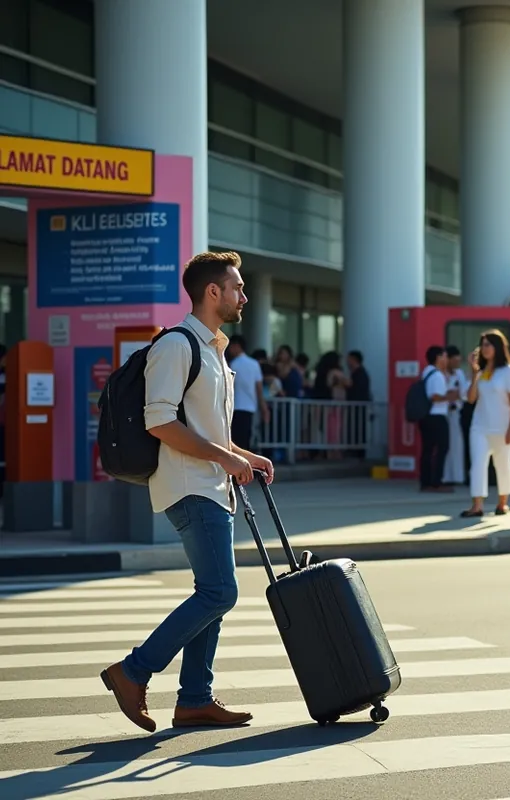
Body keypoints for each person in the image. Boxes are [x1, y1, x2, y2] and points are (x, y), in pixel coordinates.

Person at [101, 251, 273, 733]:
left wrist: (244, 453)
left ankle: (195, 698)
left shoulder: (213, 349)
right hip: (189, 485)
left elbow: (209, 429)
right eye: (237, 287)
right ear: (212, 292)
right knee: (221, 591)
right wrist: (225, 458)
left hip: (211, 484)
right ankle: (131, 672)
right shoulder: (178, 346)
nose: (244, 295)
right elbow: (160, 421)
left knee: (211, 593)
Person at [462, 330, 510, 517]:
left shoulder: (509, 371)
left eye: (488, 344)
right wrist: (474, 373)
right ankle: (477, 505)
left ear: (498, 347)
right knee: (478, 464)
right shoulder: (481, 372)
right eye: (483, 344)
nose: (484, 348)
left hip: (502, 427)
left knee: (502, 464)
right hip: (480, 426)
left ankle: (502, 503)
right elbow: (471, 399)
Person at [418, 345, 454, 492]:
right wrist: (451, 396)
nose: (446, 360)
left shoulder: (427, 372)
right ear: (438, 358)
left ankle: (426, 481)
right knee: (442, 448)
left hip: (426, 417)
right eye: (445, 356)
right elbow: (435, 396)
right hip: (437, 417)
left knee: (427, 449)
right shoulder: (437, 375)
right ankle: (436, 482)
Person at [226, 334, 266, 451]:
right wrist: (263, 407)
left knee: (235, 441)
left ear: (236, 346)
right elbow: (259, 387)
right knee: (247, 440)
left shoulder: (233, 364)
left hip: (235, 407)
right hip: (250, 408)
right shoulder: (254, 364)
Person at [443, 345, 469, 485]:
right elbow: (442, 394)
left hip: (455, 413)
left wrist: (456, 394)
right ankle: (445, 477)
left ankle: (458, 477)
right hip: (441, 413)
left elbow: (463, 393)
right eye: (455, 361)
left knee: (457, 446)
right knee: (444, 446)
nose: (457, 364)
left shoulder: (459, 374)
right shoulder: (440, 373)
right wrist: (452, 394)